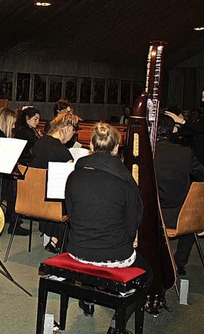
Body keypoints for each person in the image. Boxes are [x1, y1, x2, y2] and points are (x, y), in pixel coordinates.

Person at [65, 122, 150, 334]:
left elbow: (72, 216)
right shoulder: (125, 181)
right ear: (116, 148)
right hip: (115, 253)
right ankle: (116, 325)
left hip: (78, 252)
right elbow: (133, 225)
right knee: (147, 274)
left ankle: (88, 299)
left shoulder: (74, 176)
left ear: (91, 146)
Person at [166, 81, 204, 237]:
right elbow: (195, 133)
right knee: (195, 189)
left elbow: (202, 130)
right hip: (200, 154)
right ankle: (195, 222)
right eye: (203, 90)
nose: (203, 92)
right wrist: (175, 131)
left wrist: (182, 122)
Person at [155, 115, 204, 275]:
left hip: (153, 217)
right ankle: (179, 262)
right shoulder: (185, 152)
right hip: (182, 217)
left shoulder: (148, 153)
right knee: (193, 212)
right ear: (173, 130)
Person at [31, 112, 79, 252]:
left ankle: (54, 238)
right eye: (73, 132)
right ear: (68, 128)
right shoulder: (62, 152)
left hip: (32, 196)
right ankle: (61, 240)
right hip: (50, 204)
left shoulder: (40, 142)